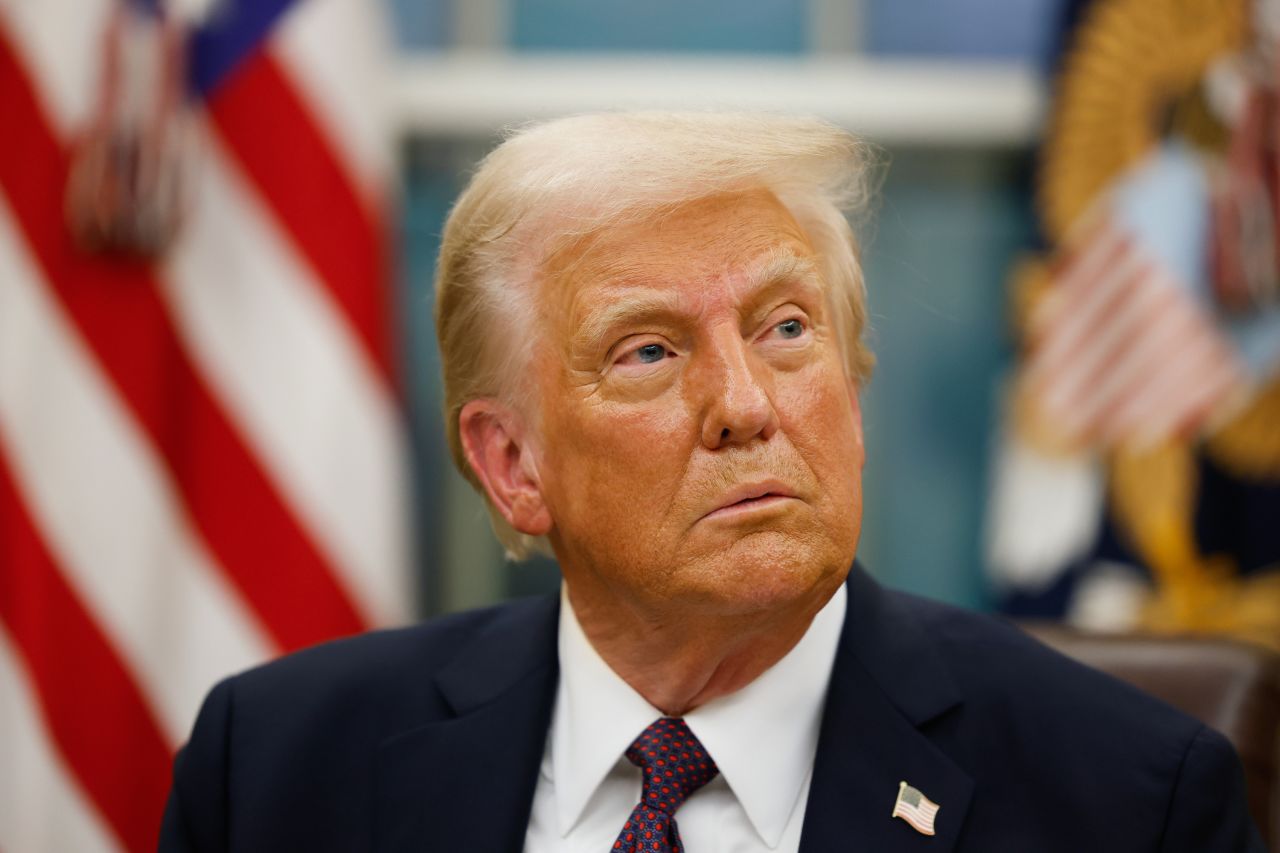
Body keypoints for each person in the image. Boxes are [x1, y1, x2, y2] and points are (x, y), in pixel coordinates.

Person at [159, 112, 1264, 852]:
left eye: (787, 329)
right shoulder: (277, 771)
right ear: (511, 464)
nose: (746, 403)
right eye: (646, 350)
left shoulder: (1130, 802)